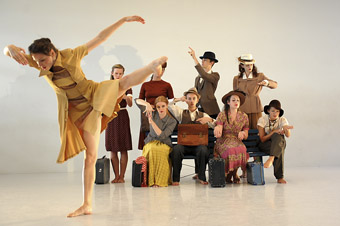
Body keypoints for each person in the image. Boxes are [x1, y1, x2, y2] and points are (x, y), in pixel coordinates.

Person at [3, 15, 168, 217]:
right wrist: (9, 47)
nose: (41, 65)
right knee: (89, 157)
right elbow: (7, 52)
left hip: (94, 95)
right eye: (38, 61)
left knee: (123, 84)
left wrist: (123, 20)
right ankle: (87, 205)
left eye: (44, 60)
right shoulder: (39, 63)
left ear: (53, 53)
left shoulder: (72, 54)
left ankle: (151, 67)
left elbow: (100, 38)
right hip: (80, 112)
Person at [169, 87, 215, 185]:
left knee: (203, 150)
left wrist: (210, 120)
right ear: (186, 100)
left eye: (194, 98)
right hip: (184, 145)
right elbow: (168, 105)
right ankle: (176, 179)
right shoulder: (181, 113)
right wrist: (178, 99)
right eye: (189, 99)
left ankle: (201, 177)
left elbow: (215, 124)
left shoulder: (203, 115)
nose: (191, 101)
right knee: (176, 149)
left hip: (198, 145)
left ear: (197, 100)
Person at [135, 96, 177, 187]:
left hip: (164, 143)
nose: (160, 109)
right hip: (151, 141)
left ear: (167, 106)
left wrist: (152, 123)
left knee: (160, 151)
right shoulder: (153, 113)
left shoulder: (172, 121)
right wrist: (147, 104)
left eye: (163, 106)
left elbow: (162, 136)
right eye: (158, 107)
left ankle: (160, 181)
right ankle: (149, 180)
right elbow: (136, 101)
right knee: (151, 149)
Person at [233, 54, 277, 129]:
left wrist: (266, 83)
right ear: (242, 66)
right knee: (242, 131)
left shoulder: (259, 76)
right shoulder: (237, 78)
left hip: (255, 108)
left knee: (257, 130)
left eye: (251, 65)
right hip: (242, 109)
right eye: (247, 65)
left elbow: (275, 85)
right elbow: (235, 95)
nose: (250, 67)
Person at [214, 90, 249, 184]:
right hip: (223, 140)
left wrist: (243, 133)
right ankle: (229, 174)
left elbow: (246, 132)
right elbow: (219, 126)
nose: (236, 102)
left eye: (237, 100)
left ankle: (234, 173)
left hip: (236, 139)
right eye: (233, 100)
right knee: (230, 150)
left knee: (242, 148)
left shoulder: (244, 116)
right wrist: (218, 128)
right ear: (228, 102)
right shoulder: (222, 114)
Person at [105, 64, 132, 183]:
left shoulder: (127, 86)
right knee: (113, 148)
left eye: (120, 73)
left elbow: (130, 104)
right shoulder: (107, 86)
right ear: (112, 73)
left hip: (122, 116)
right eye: (116, 73)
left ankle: (122, 176)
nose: (118, 75)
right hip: (110, 117)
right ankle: (116, 176)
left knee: (124, 148)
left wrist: (125, 96)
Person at [137, 62, 174, 150]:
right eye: (158, 70)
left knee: (161, 142)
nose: (160, 72)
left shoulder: (167, 85)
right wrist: (147, 104)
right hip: (148, 116)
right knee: (148, 145)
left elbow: (171, 102)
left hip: (161, 118)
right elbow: (138, 100)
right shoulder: (145, 85)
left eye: (162, 70)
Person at [257, 100, 294, 184]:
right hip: (264, 144)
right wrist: (274, 132)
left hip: (276, 144)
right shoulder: (262, 119)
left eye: (277, 111)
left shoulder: (282, 119)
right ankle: (279, 177)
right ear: (268, 110)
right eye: (273, 111)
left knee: (279, 137)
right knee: (279, 145)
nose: (275, 113)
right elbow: (262, 139)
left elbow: (288, 135)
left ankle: (271, 158)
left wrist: (285, 129)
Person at [188, 47, 220, 119]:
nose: (202, 61)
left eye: (205, 60)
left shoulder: (215, 75)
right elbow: (195, 92)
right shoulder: (198, 78)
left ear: (212, 63)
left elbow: (204, 75)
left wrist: (194, 58)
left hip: (211, 110)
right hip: (199, 110)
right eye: (202, 59)